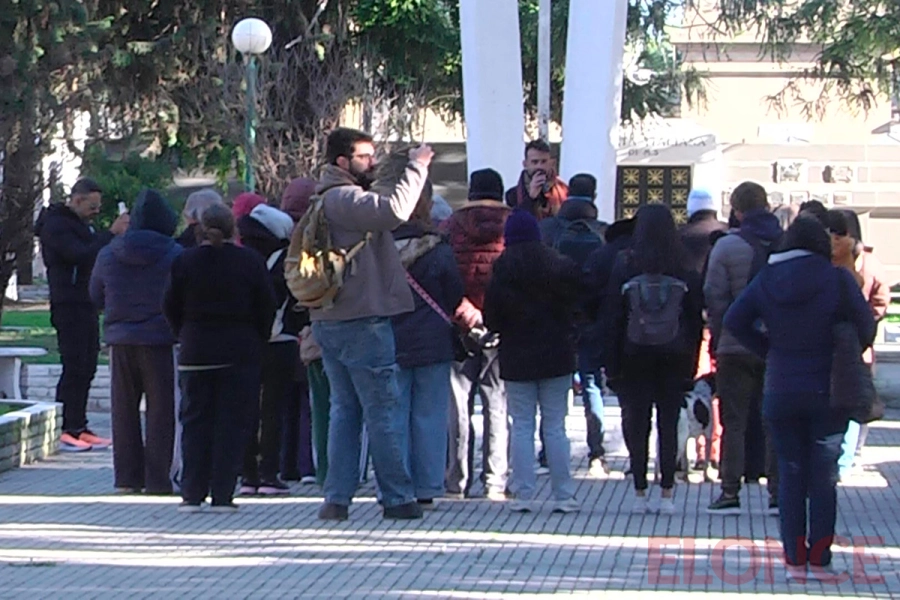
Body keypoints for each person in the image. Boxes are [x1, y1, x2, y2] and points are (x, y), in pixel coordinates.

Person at [724, 216, 876, 578]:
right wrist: (843, 347)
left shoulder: (769, 278)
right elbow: (866, 327)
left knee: (790, 475)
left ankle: (794, 562)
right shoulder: (837, 278)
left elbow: (734, 319)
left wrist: (770, 350)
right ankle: (820, 560)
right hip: (829, 389)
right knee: (823, 479)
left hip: (781, 387)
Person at [311, 128, 434, 521]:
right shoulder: (345, 198)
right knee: (381, 410)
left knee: (344, 409)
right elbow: (394, 212)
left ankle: (337, 497)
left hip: (331, 317)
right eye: (365, 156)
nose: (373, 162)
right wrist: (416, 167)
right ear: (342, 162)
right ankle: (397, 497)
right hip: (361, 318)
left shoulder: (323, 199)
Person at [163, 204, 276, 512]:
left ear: (199, 227)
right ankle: (223, 494)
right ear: (233, 228)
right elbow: (267, 305)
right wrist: (257, 339)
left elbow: (170, 305)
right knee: (232, 423)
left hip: (195, 349)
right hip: (238, 351)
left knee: (195, 421)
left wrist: (184, 333)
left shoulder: (184, 261)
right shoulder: (249, 262)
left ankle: (191, 493)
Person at [603, 205, 704, 514]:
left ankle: (639, 491)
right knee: (669, 421)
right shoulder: (684, 264)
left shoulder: (626, 262)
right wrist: (691, 362)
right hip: (674, 352)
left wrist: (613, 363)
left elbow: (614, 316)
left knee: (638, 420)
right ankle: (668, 493)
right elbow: (694, 317)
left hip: (634, 351)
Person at [484, 210, 582, 514]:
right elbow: (578, 308)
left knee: (522, 424)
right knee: (555, 426)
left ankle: (523, 493)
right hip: (557, 354)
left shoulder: (503, 269)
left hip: (517, 357)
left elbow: (492, 318)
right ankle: (564, 494)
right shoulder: (561, 266)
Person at [89, 189, 182, 494]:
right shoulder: (174, 253)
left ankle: (127, 478)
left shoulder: (109, 253)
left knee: (123, 410)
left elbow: (95, 295)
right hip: (160, 339)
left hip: (120, 339)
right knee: (161, 410)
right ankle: (158, 479)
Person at [388, 161, 464, 507]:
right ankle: (428, 484)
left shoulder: (379, 247)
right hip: (433, 338)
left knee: (395, 413)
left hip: (390, 337)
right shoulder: (439, 248)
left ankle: (396, 482)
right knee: (431, 414)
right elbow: (452, 295)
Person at [704, 182, 783, 515]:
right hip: (778, 346)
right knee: (774, 420)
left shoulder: (727, 247)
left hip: (735, 345)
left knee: (733, 420)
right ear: (766, 205)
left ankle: (730, 489)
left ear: (736, 211)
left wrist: (721, 335)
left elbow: (714, 295)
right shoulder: (786, 244)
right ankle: (779, 492)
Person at [35, 178, 130, 452]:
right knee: (74, 365)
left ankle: (79, 424)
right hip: (69, 304)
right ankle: (67, 427)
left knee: (88, 365)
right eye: (92, 206)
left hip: (86, 303)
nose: (96, 211)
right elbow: (80, 255)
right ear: (77, 200)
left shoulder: (80, 225)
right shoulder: (56, 226)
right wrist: (110, 234)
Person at [442, 168, 512, 500]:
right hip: (501, 326)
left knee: (458, 408)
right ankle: (495, 481)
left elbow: (442, 274)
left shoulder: (451, 226)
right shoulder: (515, 225)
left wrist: (464, 312)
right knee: (496, 403)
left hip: (458, 326)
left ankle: (456, 482)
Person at [539, 173, 609, 477]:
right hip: (591, 319)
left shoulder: (548, 230)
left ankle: (548, 453)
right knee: (592, 383)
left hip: (554, 318)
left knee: (554, 389)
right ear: (593, 196)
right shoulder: (603, 233)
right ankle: (597, 454)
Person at [237, 204, 302, 496]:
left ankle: (248, 472)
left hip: (245, 341)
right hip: (280, 340)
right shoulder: (286, 261)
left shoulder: (241, 257)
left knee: (247, 407)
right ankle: (269, 472)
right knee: (274, 409)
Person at [833, 209, 890, 478]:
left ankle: (840, 458)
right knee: (857, 397)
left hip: (834, 340)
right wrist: (870, 319)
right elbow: (882, 296)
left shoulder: (829, 259)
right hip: (860, 342)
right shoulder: (869, 261)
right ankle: (848, 457)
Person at [680, 188, 727, 471]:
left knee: (696, 390)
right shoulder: (727, 234)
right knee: (717, 389)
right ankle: (715, 450)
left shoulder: (680, 236)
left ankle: (695, 449)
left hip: (690, 321)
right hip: (722, 320)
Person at [279, 178, 318, 484]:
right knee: (309, 402)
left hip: (278, 334)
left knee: (283, 404)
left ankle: (284, 461)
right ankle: (306, 464)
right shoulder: (314, 239)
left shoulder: (275, 241)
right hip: (307, 329)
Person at [505, 139, 569, 220]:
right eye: (535, 162)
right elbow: (516, 224)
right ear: (525, 164)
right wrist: (530, 198)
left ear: (551, 163)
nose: (540, 166)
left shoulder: (564, 191)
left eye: (544, 161)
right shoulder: (512, 195)